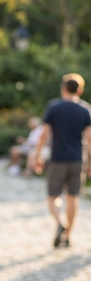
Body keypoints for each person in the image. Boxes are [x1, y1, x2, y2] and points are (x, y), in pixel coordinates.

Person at [35, 77, 91, 248]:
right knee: (73, 198)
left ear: (63, 88)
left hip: (58, 158)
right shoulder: (85, 109)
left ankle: (60, 223)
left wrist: (37, 155)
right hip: (77, 159)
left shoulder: (54, 107)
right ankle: (67, 237)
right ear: (79, 90)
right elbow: (89, 138)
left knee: (53, 196)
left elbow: (44, 134)